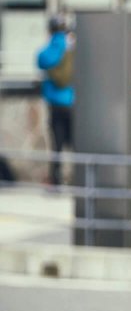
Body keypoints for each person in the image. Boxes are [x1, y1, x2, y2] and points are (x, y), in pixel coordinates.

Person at [36, 11, 75, 187]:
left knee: (57, 143)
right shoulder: (71, 48)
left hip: (55, 104)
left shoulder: (47, 51)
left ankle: (56, 178)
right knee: (76, 142)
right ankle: (81, 177)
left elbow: (40, 60)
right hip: (73, 102)